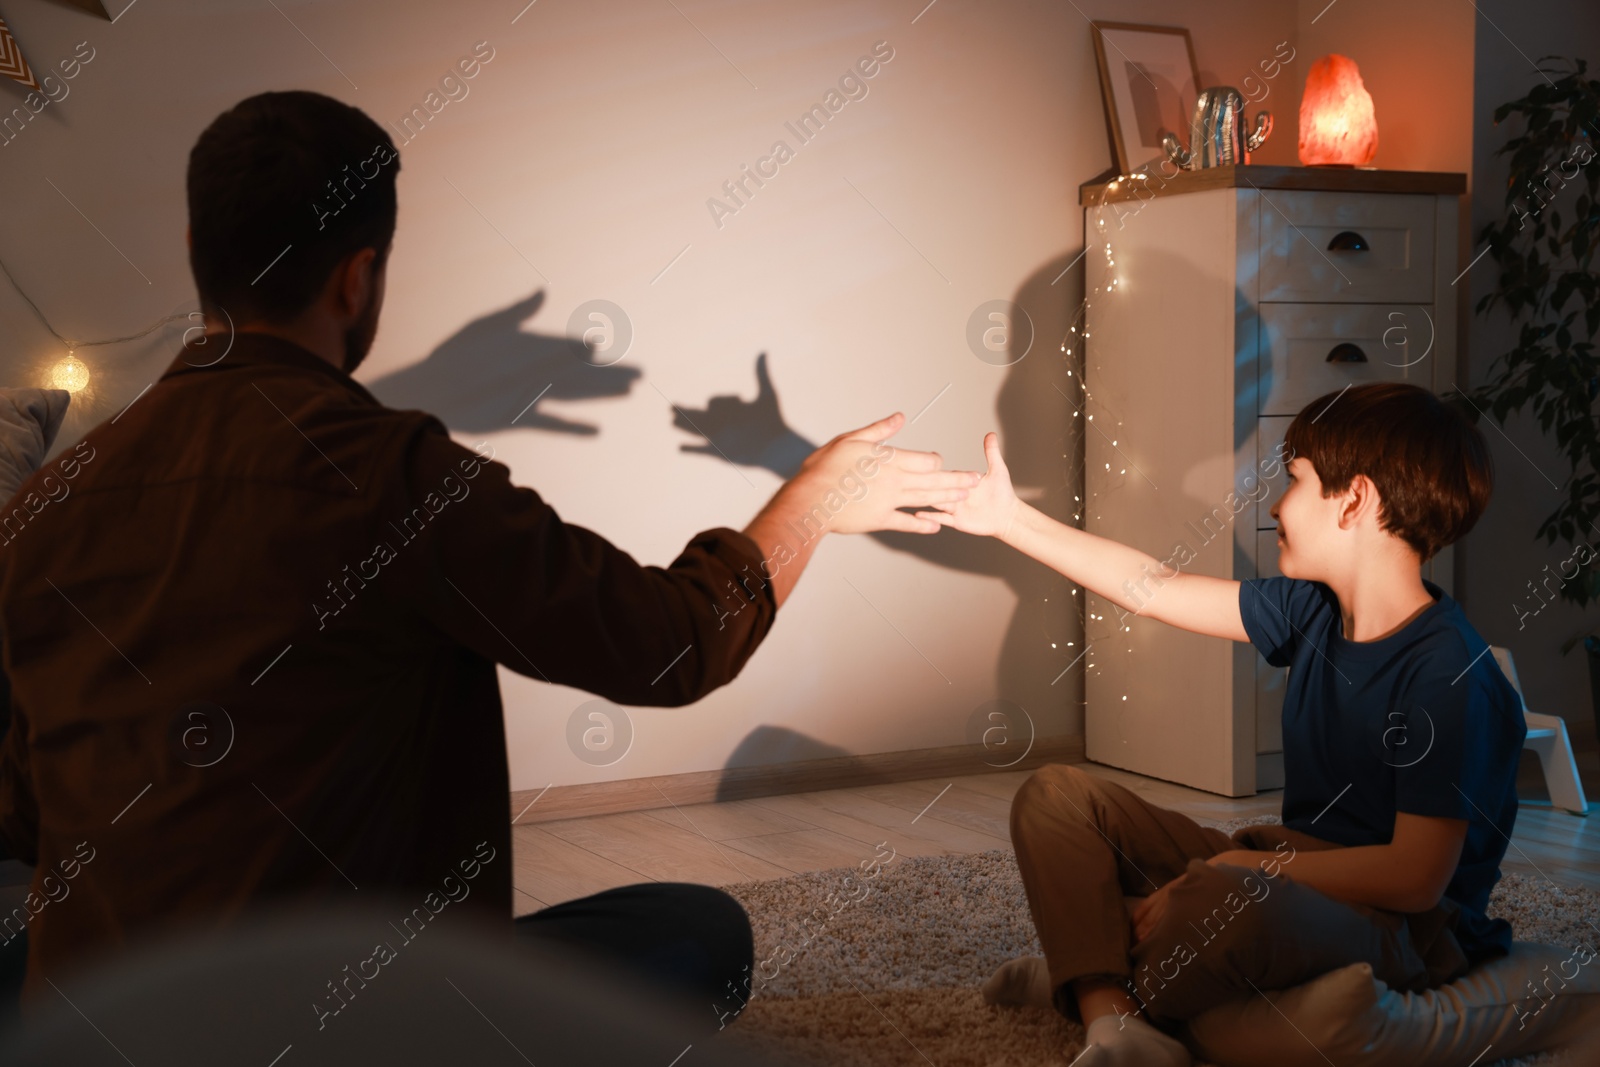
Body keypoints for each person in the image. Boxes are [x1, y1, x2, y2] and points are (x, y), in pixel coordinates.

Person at [0, 90, 979, 1029]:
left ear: (193, 254)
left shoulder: (44, 506)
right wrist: (810, 499)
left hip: (100, 1025)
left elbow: (22, 813)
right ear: (359, 276)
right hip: (354, 1021)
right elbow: (670, 646)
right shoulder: (396, 475)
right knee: (696, 932)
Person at [920, 383, 1525, 1067]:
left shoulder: (1449, 673)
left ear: (1354, 500)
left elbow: (1415, 877)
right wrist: (1010, 520)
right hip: (1286, 869)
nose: (1275, 505)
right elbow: (1152, 587)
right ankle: (1109, 1005)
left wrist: (1252, 865)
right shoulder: (1312, 610)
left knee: (1224, 897)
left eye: (1294, 480)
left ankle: (1089, 973)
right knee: (1056, 798)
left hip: (1406, 927)